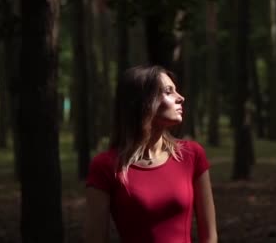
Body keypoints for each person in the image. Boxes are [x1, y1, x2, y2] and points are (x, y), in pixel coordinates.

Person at [85, 65, 217, 243]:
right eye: (169, 91)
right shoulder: (106, 166)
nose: (181, 98)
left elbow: (209, 236)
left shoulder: (192, 155)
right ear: (145, 102)